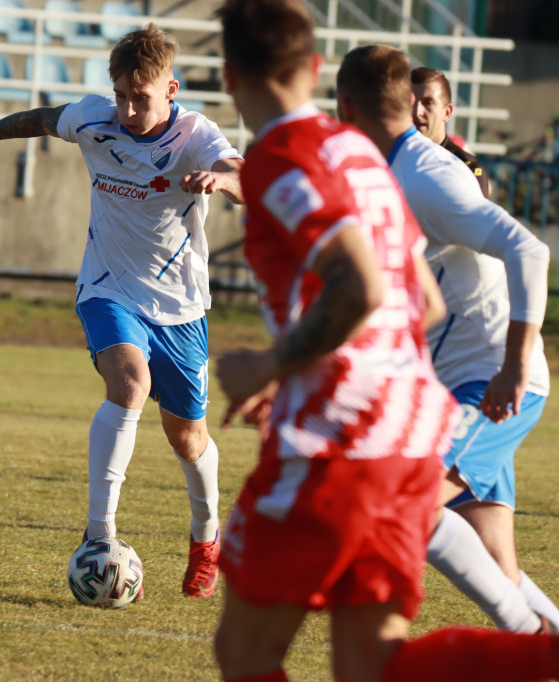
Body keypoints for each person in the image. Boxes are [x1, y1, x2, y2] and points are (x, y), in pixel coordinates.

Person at [212, 2, 559, 681]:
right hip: (407, 430)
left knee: (245, 653)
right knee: (371, 666)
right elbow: (420, 301)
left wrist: (272, 366)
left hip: (338, 444)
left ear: (228, 76)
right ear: (313, 70)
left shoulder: (282, 156)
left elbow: (361, 289)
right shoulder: (362, 156)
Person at [0, 24, 243, 599]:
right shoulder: (92, 120)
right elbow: (37, 119)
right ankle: (98, 534)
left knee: (188, 439)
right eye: (122, 96)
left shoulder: (195, 133)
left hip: (181, 307)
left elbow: (247, 172)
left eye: (143, 97)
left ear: (172, 88)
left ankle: (206, 537)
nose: (131, 110)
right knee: (130, 384)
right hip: (108, 289)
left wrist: (224, 179)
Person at [338, 44, 559, 636]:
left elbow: (530, 249)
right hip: (453, 384)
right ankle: (545, 635)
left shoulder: (430, 175)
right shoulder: (384, 171)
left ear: (343, 105)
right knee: (493, 558)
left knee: (404, 502)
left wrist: (513, 365)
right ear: (409, 103)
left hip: (489, 382)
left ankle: (531, 645)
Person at [410, 67, 491, 197]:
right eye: (410, 102)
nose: (417, 111)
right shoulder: (387, 158)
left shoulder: (468, 169)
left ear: (447, 113)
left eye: (427, 103)